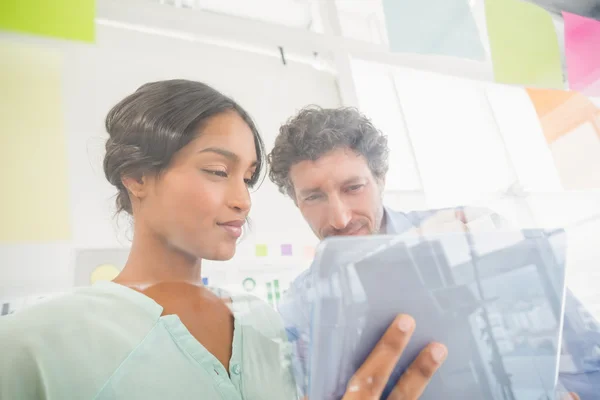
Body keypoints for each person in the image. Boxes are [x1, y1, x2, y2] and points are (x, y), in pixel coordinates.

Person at [0, 80, 445, 400]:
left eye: (248, 179)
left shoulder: (267, 328)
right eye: (217, 171)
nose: (242, 201)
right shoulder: (31, 347)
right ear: (136, 176)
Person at [268, 106, 595, 399]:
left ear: (380, 179)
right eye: (313, 197)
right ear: (297, 202)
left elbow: (586, 358)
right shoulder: (300, 306)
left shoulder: (471, 230)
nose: (339, 218)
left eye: (353, 188)